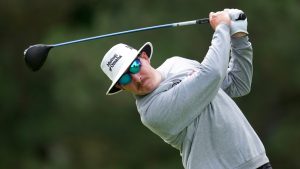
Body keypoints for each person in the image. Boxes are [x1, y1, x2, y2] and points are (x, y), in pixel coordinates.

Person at [100, 9, 272, 169]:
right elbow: (212, 73)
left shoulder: (176, 62)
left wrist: (239, 36)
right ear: (121, 87)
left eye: (135, 66)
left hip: (257, 161)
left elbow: (237, 84)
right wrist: (222, 28)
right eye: (125, 78)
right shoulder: (152, 112)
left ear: (144, 57)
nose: (136, 78)